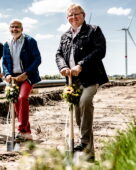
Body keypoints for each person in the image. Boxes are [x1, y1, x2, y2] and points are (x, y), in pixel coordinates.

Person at [56, 4, 108, 161]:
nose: (73, 18)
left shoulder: (93, 30)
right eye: (70, 16)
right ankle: (89, 155)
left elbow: (100, 50)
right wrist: (63, 66)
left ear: (83, 15)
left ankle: (83, 142)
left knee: (85, 102)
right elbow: (58, 54)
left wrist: (82, 64)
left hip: (91, 77)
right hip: (72, 80)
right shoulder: (64, 36)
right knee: (78, 115)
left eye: (76, 14)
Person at [2, 19, 41, 141]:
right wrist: (7, 74)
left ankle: (21, 130)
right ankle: (27, 133)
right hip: (13, 78)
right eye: (12, 27)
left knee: (22, 98)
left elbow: (37, 59)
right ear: (9, 29)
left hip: (27, 76)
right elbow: (4, 62)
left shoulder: (29, 41)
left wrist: (26, 73)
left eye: (17, 27)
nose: (14, 29)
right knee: (16, 103)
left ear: (22, 29)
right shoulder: (7, 44)